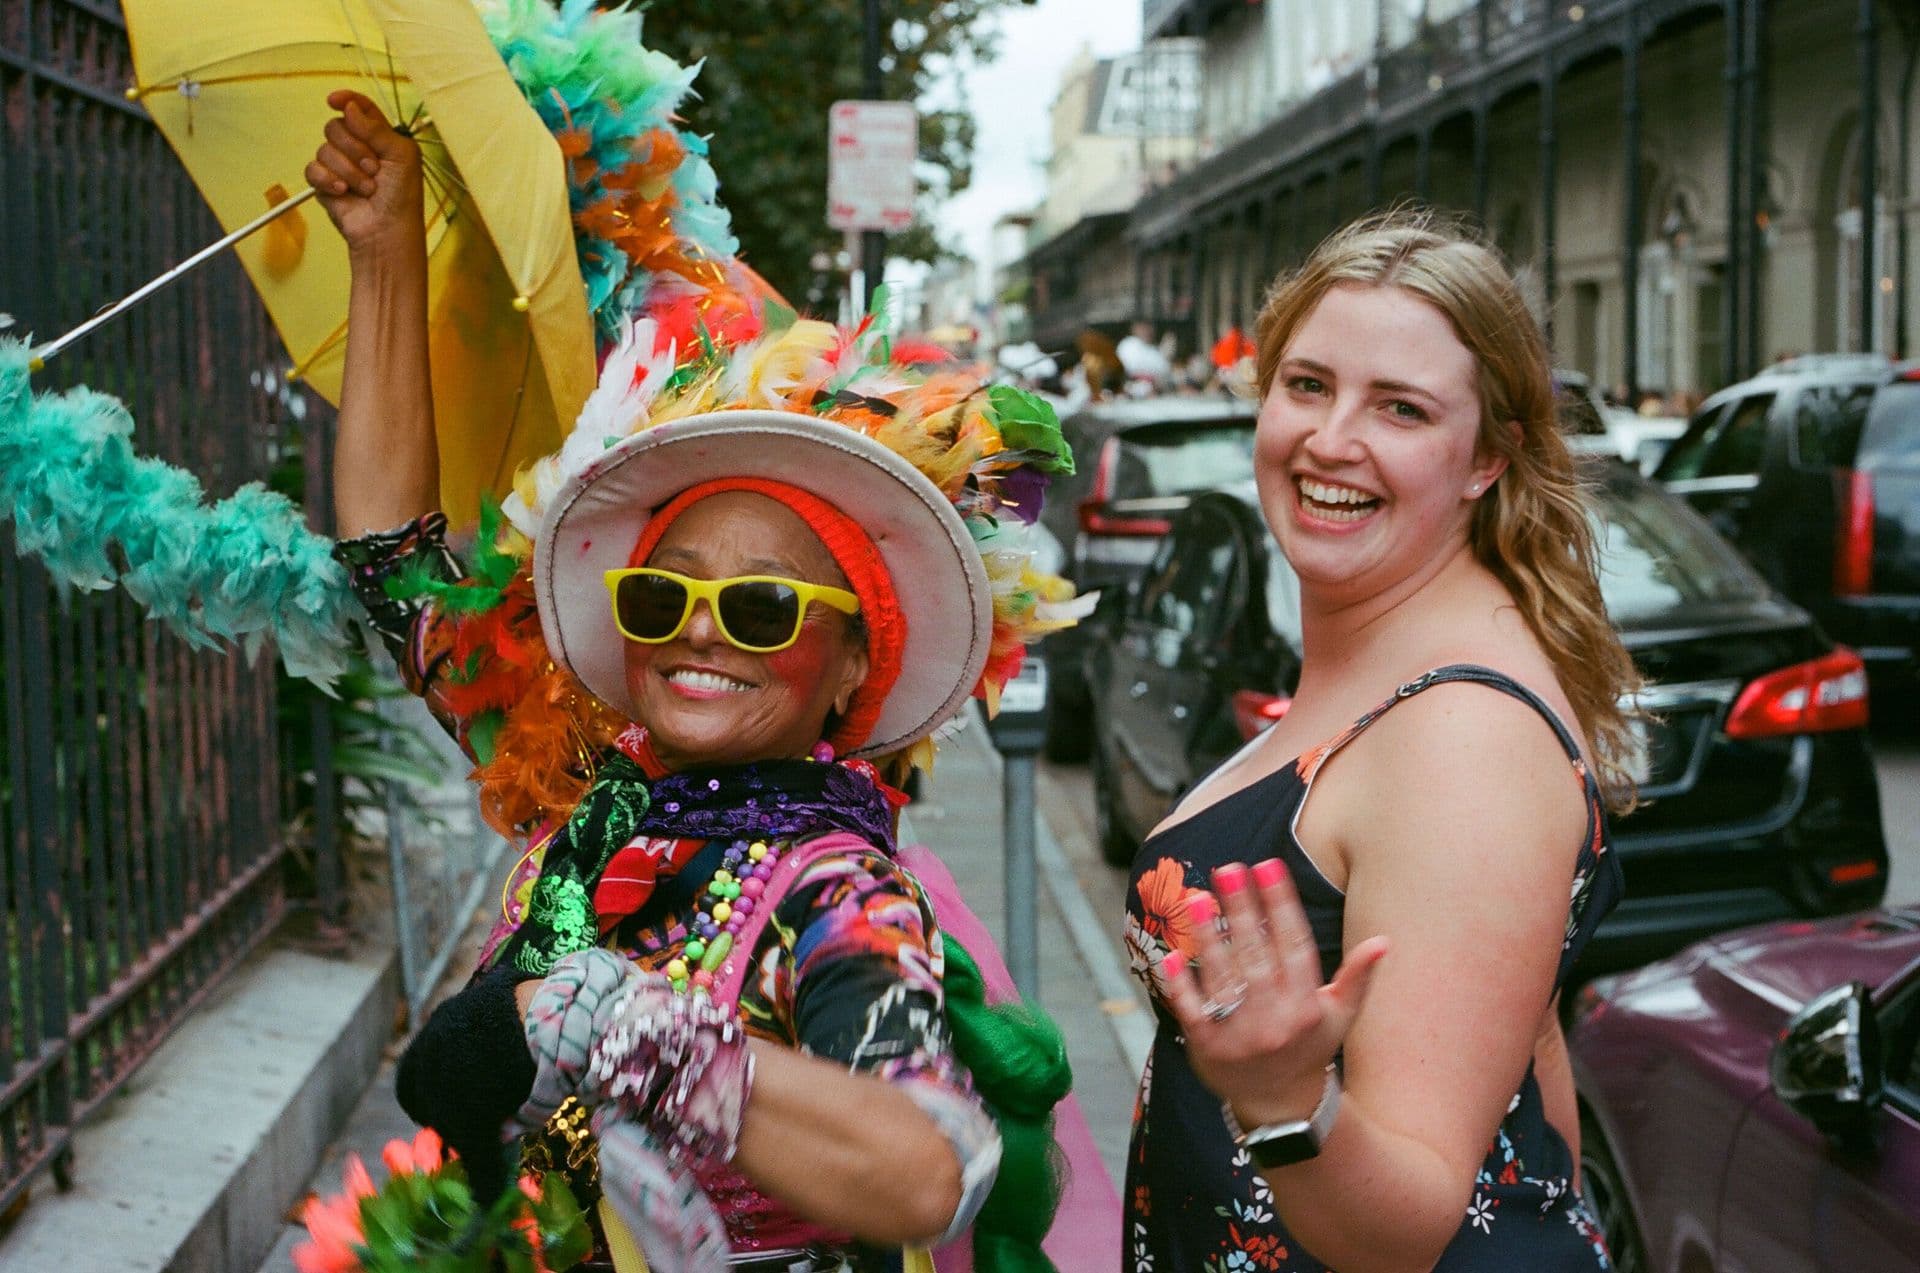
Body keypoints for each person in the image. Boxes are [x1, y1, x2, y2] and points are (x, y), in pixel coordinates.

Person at [308, 91, 1075, 1273]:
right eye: (662, 598)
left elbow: (928, 1168)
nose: (701, 638)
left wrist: (613, 1023)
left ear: (851, 665)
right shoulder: (591, 793)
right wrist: (383, 252)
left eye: (764, 608)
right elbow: (395, 570)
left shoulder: (830, 888)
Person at [1123, 210, 1636, 1272]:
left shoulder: (1462, 739)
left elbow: (1405, 1227)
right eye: (1307, 385)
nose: (1330, 439)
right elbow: (1530, 1046)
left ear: (1489, 456)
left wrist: (1283, 1099)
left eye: (1399, 408)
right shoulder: (1386, 646)